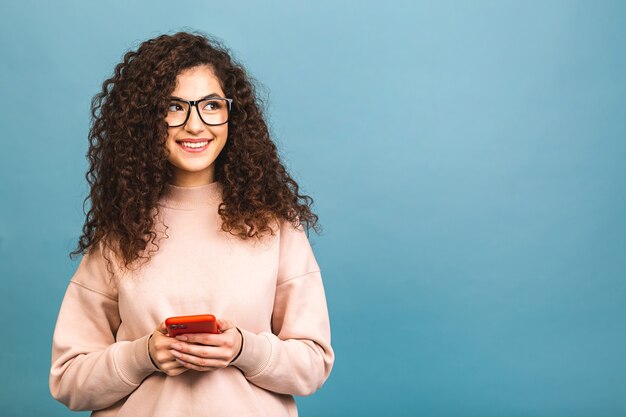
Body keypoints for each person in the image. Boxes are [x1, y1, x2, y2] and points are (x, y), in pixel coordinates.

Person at [49, 30, 334, 417]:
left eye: (211, 105)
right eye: (173, 107)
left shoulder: (276, 225)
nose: (196, 125)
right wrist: (143, 355)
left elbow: (313, 364)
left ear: (233, 113)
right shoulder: (123, 231)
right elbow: (68, 381)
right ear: (146, 120)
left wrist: (242, 349)